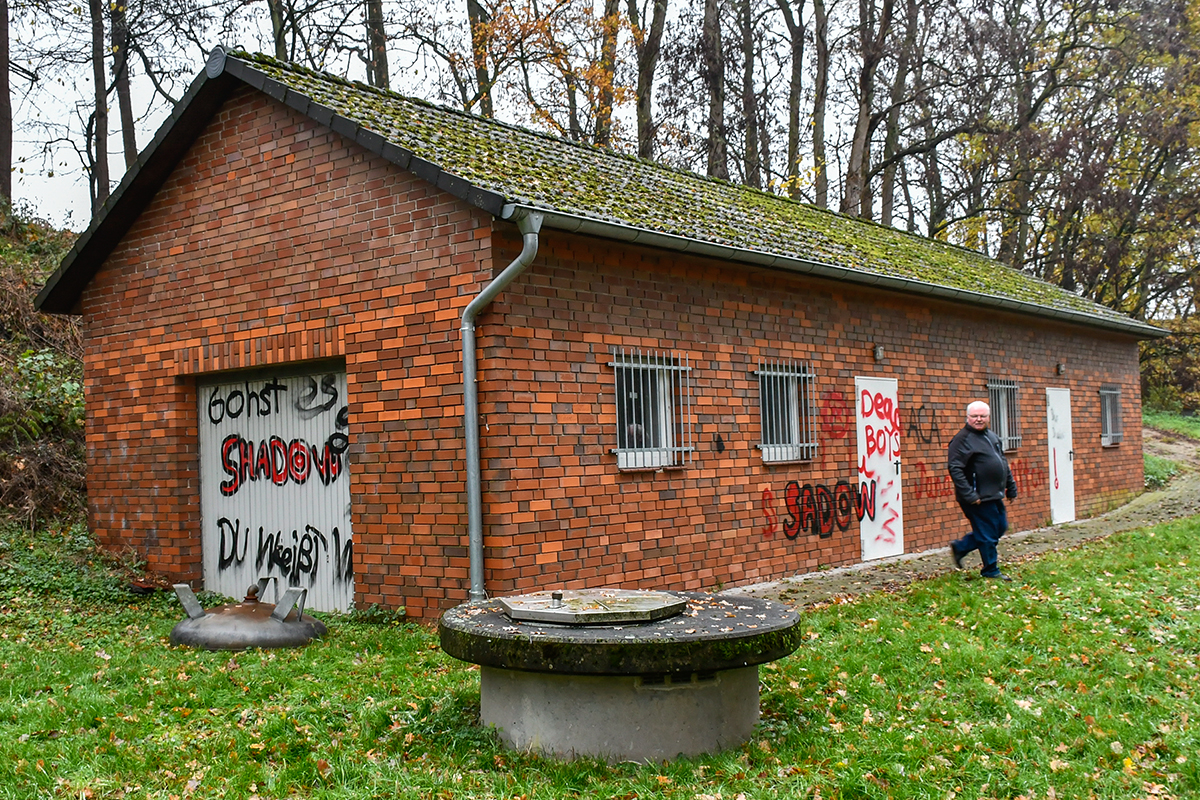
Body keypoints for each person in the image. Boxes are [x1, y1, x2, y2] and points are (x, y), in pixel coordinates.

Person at [947, 400, 1018, 581]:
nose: (978, 419)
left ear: (988, 417)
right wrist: (969, 494)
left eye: (982, 416)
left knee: (1000, 527)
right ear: (967, 417)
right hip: (976, 497)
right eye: (974, 416)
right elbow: (955, 469)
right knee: (987, 534)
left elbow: (1003, 463)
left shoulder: (992, 437)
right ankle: (990, 570)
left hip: (993, 494)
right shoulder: (961, 440)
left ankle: (961, 547)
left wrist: (1011, 487)